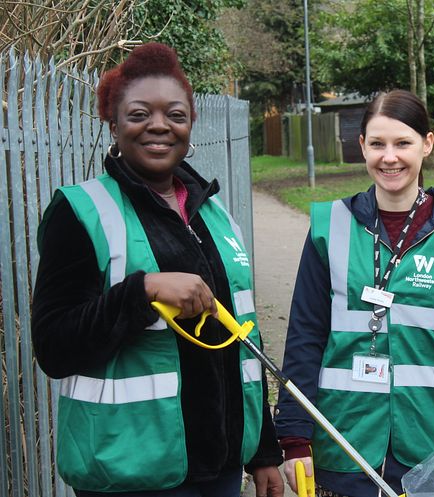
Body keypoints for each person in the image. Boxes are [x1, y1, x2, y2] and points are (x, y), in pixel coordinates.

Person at [31, 43, 284, 497]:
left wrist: (264, 451)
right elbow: (53, 346)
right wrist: (142, 291)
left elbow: (244, 339)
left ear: (190, 124)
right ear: (113, 122)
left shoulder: (214, 213)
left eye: (176, 115)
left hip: (221, 467)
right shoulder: (80, 211)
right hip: (130, 470)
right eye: (139, 114)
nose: (159, 126)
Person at [274, 89, 434, 497]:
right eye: (378, 144)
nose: (390, 157)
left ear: (427, 144)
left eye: (403, 143)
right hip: (344, 442)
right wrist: (295, 438)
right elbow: (304, 337)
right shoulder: (330, 226)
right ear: (361, 146)